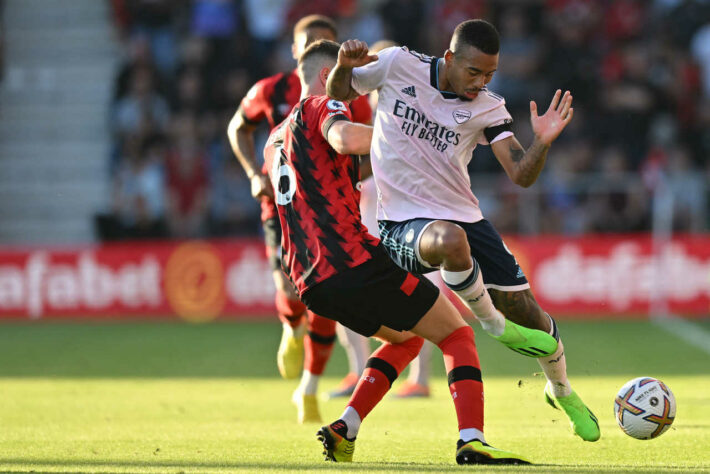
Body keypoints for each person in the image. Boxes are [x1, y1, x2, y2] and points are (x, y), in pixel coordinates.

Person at [326, 19, 600, 442]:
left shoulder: (488, 106)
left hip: (466, 217)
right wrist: (344, 66)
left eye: (489, 74)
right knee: (449, 244)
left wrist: (542, 141)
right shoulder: (398, 64)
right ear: (450, 57)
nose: (481, 82)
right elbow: (339, 92)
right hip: (401, 221)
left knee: (530, 313)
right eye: (474, 72)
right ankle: (490, 323)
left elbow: (521, 175)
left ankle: (561, 390)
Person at [264, 38, 531, 465]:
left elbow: (363, 165)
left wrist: (413, 156)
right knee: (456, 333)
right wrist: (412, 137)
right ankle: (471, 440)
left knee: (406, 340)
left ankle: (345, 427)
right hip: (351, 259)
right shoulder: (320, 107)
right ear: (325, 77)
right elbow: (345, 138)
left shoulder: (276, 139)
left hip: (311, 280)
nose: (361, 93)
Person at [226, 15, 372, 420]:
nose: (318, 49)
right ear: (295, 49)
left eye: (326, 42)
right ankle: (291, 326)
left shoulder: (349, 96)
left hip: (329, 210)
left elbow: (363, 149)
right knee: (292, 289)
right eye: (310, 42)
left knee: (323, 295)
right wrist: (255, 175)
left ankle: (309, 385)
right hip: (281, 204)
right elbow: (238, 127)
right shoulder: (271, 91)